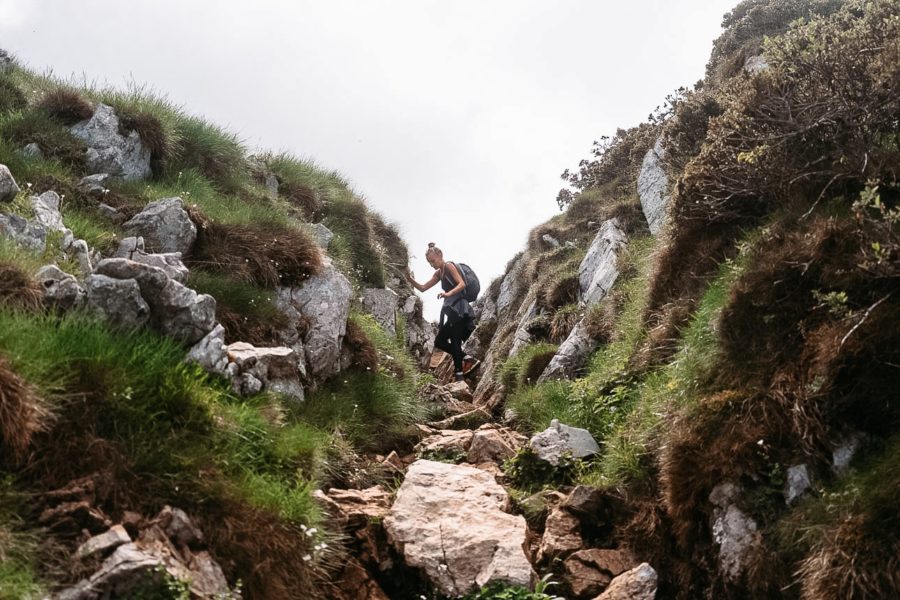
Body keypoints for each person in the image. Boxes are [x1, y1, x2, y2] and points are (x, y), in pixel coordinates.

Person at [405, 242, 478, 381]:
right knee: (439, 341)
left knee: (455, 341)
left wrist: (448, 294)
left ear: (440, 255)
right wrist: (409, 279)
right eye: (429, 262)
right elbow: (423, 287)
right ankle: (467, 359)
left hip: (460, 309)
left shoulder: (449, 266)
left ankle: (459, 376)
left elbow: (462, 284)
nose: (431, 264)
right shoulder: (439, 273)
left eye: (433, 261)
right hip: (452, 311)